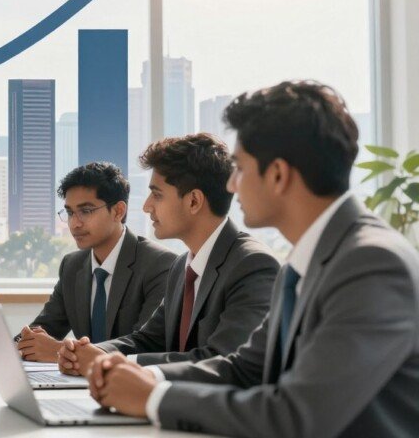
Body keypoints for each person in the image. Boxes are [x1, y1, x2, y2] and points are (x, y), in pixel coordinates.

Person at [86, 81, 419, 437]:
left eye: (240, 168)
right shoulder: (306, 262)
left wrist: (154, 398)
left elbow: (297, 416)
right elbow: (243, 369)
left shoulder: (371, 263)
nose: (231, 185)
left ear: (277, 175)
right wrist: (141, 377)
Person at [58, 134, 277, 375]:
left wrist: (114, 363)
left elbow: (221, 360)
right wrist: (93, 353)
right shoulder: (182, 266)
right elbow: (150, 339)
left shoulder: (252, 265)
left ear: (193, 201)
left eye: (157, 194)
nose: (146, 206)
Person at [16, 162, 176, 362]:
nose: (75, 223)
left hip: (127, 378)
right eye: (70, 212)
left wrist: (61, 351)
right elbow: (44, 328)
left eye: (86, 211)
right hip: (80, 379)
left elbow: (145, 345)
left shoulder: (160, 264)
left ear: (118, 211)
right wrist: (18, 344)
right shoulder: (72, 265)